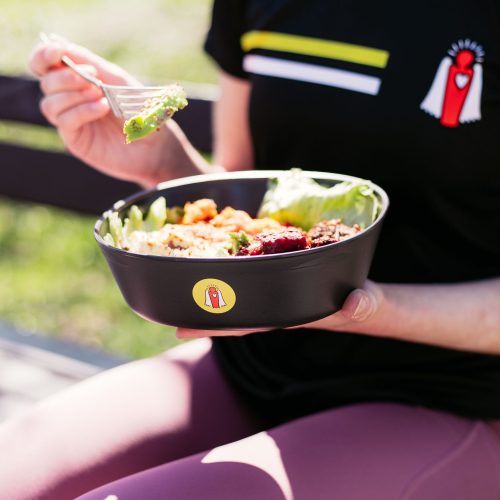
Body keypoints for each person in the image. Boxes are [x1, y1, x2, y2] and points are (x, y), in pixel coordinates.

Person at [2, 1, 500, 498]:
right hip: (251, 368)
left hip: (447, 396)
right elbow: (248, 202)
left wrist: (365, 307)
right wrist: (165, 162)